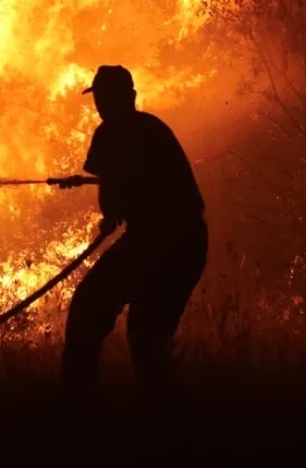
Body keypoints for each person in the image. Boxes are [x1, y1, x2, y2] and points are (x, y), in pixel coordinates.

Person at [57, 64, 208, 402]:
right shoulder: (152, 127)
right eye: (99, 98)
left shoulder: (110, 132)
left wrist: (109, 215)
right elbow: (140, 180)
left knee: (89, 310)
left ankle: (73, 409)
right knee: (148, 336)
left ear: (127, 97)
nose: (100, 105)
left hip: (158, 241)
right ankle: (166, 417)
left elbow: (112, 199)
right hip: (188, 242)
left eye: (104, 97)